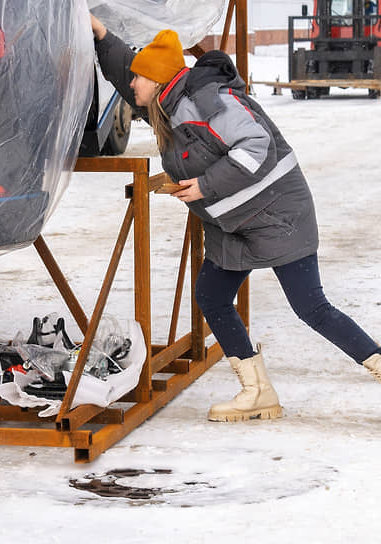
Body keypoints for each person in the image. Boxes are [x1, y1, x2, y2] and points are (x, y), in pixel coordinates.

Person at [89, 15, 381, 422]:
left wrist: (205, 186)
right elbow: (127, 69)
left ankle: (377, 362)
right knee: (211, 295)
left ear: (156, 81)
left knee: (311, 306)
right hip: (235, 222)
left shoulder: (205, 101)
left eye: (139, 79)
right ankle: (257, 391)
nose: (130, 85)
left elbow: (254, 144)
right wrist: (99, 32)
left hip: (276, 212)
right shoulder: (166, 101)